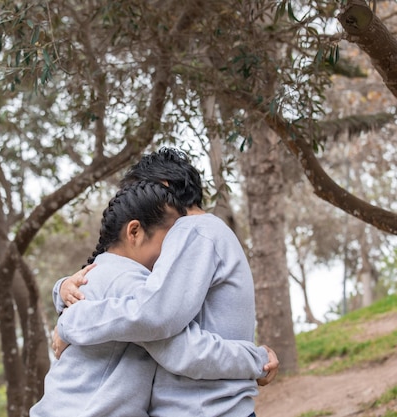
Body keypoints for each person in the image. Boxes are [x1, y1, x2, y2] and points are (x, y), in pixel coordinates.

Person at [54, 148, 279, 417]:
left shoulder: (193, 230)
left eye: (148, 192)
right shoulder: (205, 232)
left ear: (164, 187)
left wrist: (71, 321)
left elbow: (153, 317)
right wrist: (63, 288)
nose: (143, 202)